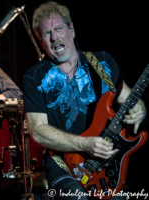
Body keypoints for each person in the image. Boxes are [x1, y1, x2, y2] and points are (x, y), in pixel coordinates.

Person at [22, 1, 146, 200]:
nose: (54, 37)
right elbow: (38, 131)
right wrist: (85, 144)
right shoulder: (34, 77)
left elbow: (131, 100)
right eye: (46, 33)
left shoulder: (103, 62)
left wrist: (138, 111)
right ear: (40, 40)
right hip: (65, 167)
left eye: (59, 28)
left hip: (108, 165)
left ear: (71, 29)